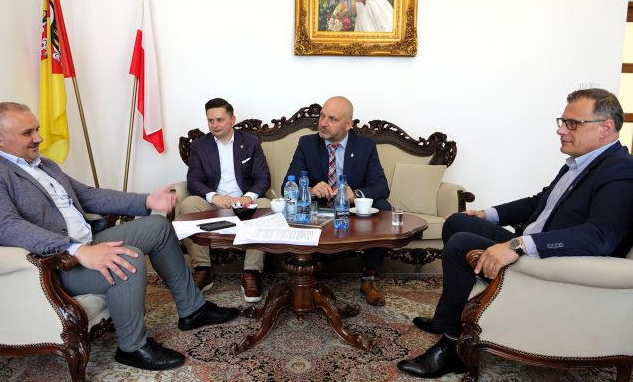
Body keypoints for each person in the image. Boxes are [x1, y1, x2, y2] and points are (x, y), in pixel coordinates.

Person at [0, 102, 240, 371]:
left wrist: (147, 201)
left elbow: (87, 195)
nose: (38, 138)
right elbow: (5, 226)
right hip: (52, 264)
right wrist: (77, 250)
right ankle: (132, 347)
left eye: (37, 129)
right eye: (27, 133)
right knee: (127, 258)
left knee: (158, 227)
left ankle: (193, 310)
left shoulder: (43, 164)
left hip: (86, 242)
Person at [397, 88, 633, 378]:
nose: (560, 130)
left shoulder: (621, 171)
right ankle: (447, 317)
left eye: (572, 123)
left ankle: (451, 347)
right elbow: (540, 202)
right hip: (535, 249)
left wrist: (518, 245)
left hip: (554, 265)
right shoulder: (582, 162)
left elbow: (600, 237)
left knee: (461, 244)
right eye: (562, 121)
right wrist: (487, 214)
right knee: (458, 222)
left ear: (605, 127)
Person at [283, 96, 391, 306]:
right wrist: (310, 190)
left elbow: (381, 187)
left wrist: (354, 194)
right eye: (322, 116)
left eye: (332, 119)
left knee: (383, 207)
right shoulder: (307, 143)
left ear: (348, 124)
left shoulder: (365, 146)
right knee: (292, 207)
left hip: (350, 210)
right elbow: (287, 185)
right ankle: (302, 276)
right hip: (317, 210)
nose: (323, 123)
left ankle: (368, 278)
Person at [180, 98, 271, 303]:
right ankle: (202, 269)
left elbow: (263, 178)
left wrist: (247, 197)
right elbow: (193, 180)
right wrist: (215, 197)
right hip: (214, 203)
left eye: (220, 120)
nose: (215, 125)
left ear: (232, 120)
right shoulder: (200, 146)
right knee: (188, 204)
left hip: (244, 202)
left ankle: (251, 273)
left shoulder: (250, 142)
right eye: (210, 120)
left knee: (265, 206)